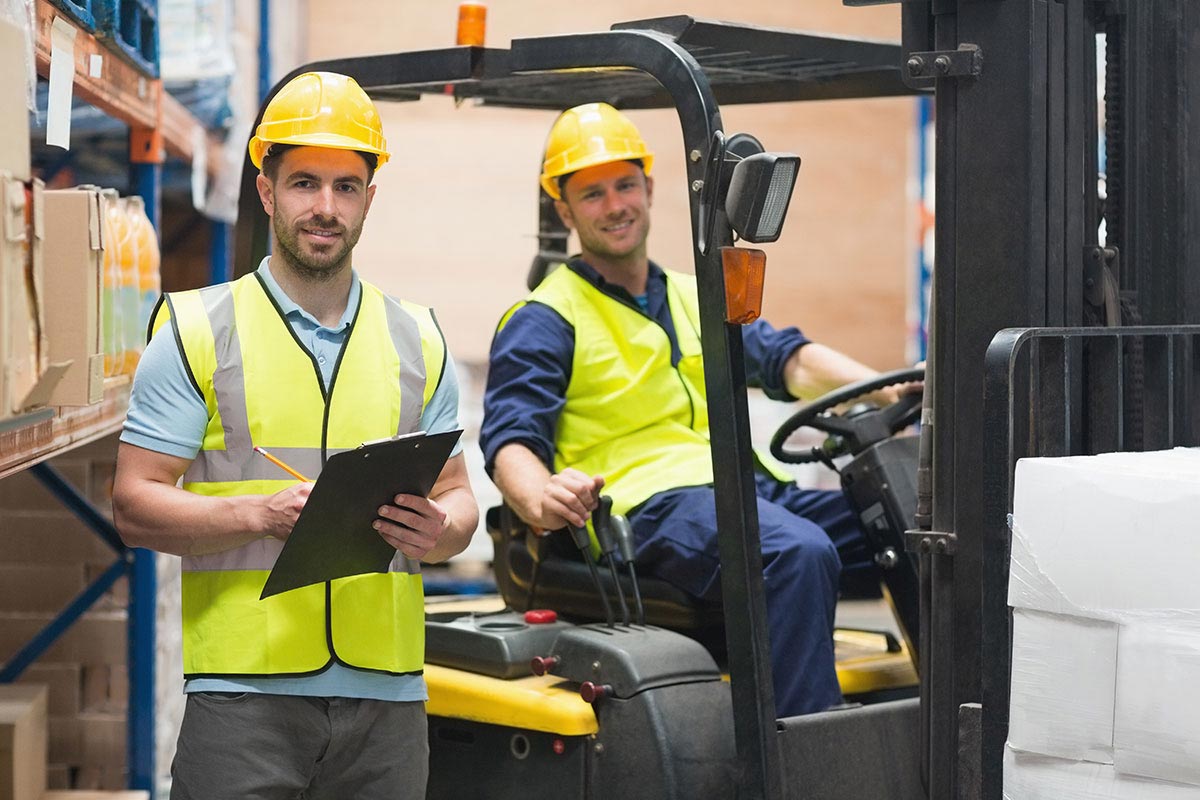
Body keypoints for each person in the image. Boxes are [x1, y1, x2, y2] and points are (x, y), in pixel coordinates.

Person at [111, 71, 478, 799]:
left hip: (389, 702)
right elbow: (133, 503)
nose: (325, 207)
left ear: (370, 199)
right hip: (244, 698)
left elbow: (460, 501)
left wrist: (438, 532)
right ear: (267, 190)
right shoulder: (195, 331)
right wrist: (259, 513)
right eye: (305, 181)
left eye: (346, 186)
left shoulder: (419, 339)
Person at [480, 102, 910, 718]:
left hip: (745, 490)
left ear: (650, 188)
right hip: (646, 509)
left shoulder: (695, 291)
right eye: (592, 193)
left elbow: (786, 358)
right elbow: (512, 438)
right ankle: (803, 769)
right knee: (797, 553)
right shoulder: (548, 316)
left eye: (625, 185)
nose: (615, 204)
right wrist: (539, 496)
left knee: (915, 524)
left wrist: (890, 388)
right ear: (565, 209)